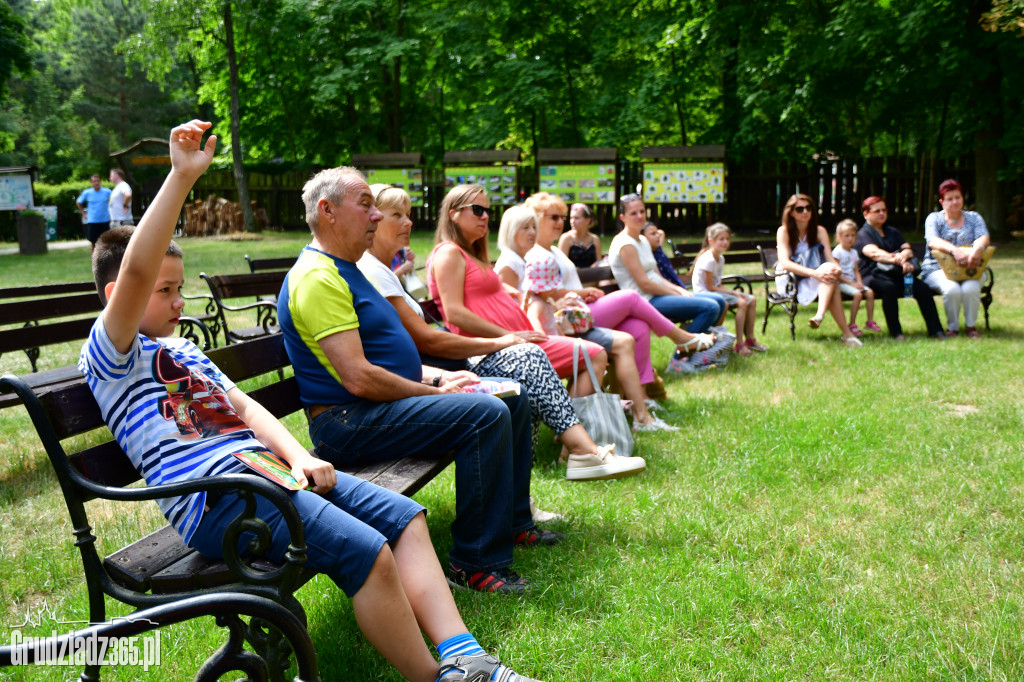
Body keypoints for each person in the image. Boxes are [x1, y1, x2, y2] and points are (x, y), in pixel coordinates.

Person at [80, 121, 543, 682]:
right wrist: (180, 179)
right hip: (217, 498)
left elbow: (248, 411)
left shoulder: (184, 352)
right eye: (165, 290)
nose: (179, 301)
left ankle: (464, 655)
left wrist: (298, 457)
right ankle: (436, 678)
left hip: (268, 472)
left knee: (407, 520)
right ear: (118, 299)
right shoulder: (112, 353)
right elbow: (134, 267)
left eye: (181, 289)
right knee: (369, 552)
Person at [278, 168, 563, 601]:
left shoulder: (348, 268)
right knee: (484, 414)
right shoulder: (318, 277)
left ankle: (514, 522)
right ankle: (475, 564)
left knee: (511, 396)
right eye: (366, 205)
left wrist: (440, 376)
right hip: (347, 422)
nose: (376, 215)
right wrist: (436, 394)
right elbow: (358, 377)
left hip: (372, 409)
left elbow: (378, 356)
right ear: (327, 211)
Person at [356, 186, 621, 515]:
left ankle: (523, 502)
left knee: (521, 385)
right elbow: (440, 328)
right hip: (438, 373)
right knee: (530, 365)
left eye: (407, 214)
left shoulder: (389, 272)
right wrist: (502, 339)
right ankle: (576, 452)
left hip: (447, 367)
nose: (408, 222)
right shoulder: (406, 264)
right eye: (397, 215)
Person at [427, 184, 646, 481]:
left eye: (487, 211)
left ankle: (525, 499)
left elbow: (493, 292)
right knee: (544, 356)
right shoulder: (449, 253)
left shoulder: (472, 256)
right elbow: (454, 313)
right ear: (453, 214)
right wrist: (507, 335)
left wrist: (521, 299)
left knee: (536, 366)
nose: (485, 217)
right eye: (476, 210)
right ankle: (582, 449)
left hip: (507, 344)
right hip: (483, 352)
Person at [522, 193, 715, 427]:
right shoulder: (535, 254)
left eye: (561, 217)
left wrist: (583, 293)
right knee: (631, 298)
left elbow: (557, 289)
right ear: (536, 218)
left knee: (638, 327)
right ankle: (680, 338)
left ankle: (641, 403)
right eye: (553, 217)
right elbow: (539, 295)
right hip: (569, 321)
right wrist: (579, 295)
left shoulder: (552, 250)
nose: (560, 222)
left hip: (580, 312)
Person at [608, 194, 732, 372]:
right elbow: (644, 284)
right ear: (623, 217)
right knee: (710, 307)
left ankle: (697, 352)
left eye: (642, 211)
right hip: (645, 301)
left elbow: (658, 276)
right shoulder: (624, 243)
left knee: (719, 301)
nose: (639, 216)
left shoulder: (642, 240)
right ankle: (678, 361)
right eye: (633, 213)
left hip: (660, 294)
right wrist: (677, 293)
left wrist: (679, 289)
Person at [775, 194, 862, 347]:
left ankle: (822, 318)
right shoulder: (784, 231)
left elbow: (829, 257)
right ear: (791, 212)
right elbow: (785, 263)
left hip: (817, 275)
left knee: (830, 274)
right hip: (790, 278)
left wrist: (837, 269)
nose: (805, 212)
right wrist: (815, 273)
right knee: (829, 277)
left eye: (808, 208)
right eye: (800, 209)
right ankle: (845, 333)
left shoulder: (819, 230)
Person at [855, 196, 944, 340]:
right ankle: (897, 333)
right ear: (866, 214)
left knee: (922, 288)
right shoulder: (863, 234)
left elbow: (908, 249)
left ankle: (936, 331)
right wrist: (899, 260)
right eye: (877, 211)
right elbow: (874, 253)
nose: (882, 213)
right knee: (889, 288)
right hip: (872, 276)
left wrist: (903, 255)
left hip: (896, 274)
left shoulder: (892, 231)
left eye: (884, 210)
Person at [920, 179, 990, 338]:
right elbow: (932, 241)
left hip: (971, 268)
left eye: (957, 197)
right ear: (941, 202)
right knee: (951, 288)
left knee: (970, 287)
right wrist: (955, 251)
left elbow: (983, 236)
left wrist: (977, 249)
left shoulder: (974, 217)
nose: (954, 202)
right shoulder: (934, 219)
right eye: (949, 199)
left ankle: (971, 327)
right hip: (936, 269)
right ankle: (953, 328)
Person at [692, 223, 767, 355]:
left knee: (752, 300)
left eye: (727, 239)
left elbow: (718, 284)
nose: (725, 242)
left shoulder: (720, 258)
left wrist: (733, 292)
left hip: (715, 291)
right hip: (704, 294)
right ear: (711, 241)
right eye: (721, 239)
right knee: (742, 303)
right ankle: (739, 345)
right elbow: (710, 287)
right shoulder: (708, 259)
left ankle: (750, 339)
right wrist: (733, 293)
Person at [831, 219, 879, 337]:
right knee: (858, 295)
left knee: (870, 293)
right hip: (842, 283)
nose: (850, 238)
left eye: (852, 235)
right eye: (846, 235)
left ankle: (870, 321)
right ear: (839, 237)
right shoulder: (837, 252)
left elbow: (856, 270)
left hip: (853, 282)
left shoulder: (854, 252)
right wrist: (852, 284)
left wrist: (859, 282)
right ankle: (852, 324)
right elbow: (837, 274)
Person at [557, 202, 602, 268]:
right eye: (571, 218)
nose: (572, 221)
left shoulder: (595, 239)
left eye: (577, 218)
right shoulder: (566, 238)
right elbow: (562, 264)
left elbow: (599, 261)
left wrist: (595, 265)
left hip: (592, 275)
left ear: (588, 220)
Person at [76, 174, 111, 252]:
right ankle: (94, 260)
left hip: (105, 220)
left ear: (100, 182)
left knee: (106, 242)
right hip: (93, 221)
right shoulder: (87, 193)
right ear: (91, 183)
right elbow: (78, 202)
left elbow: (113, 202)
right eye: (94, 181)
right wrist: (83, 213)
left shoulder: (107, 192)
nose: (96, 183)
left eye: (98, 181)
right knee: (93, 242)